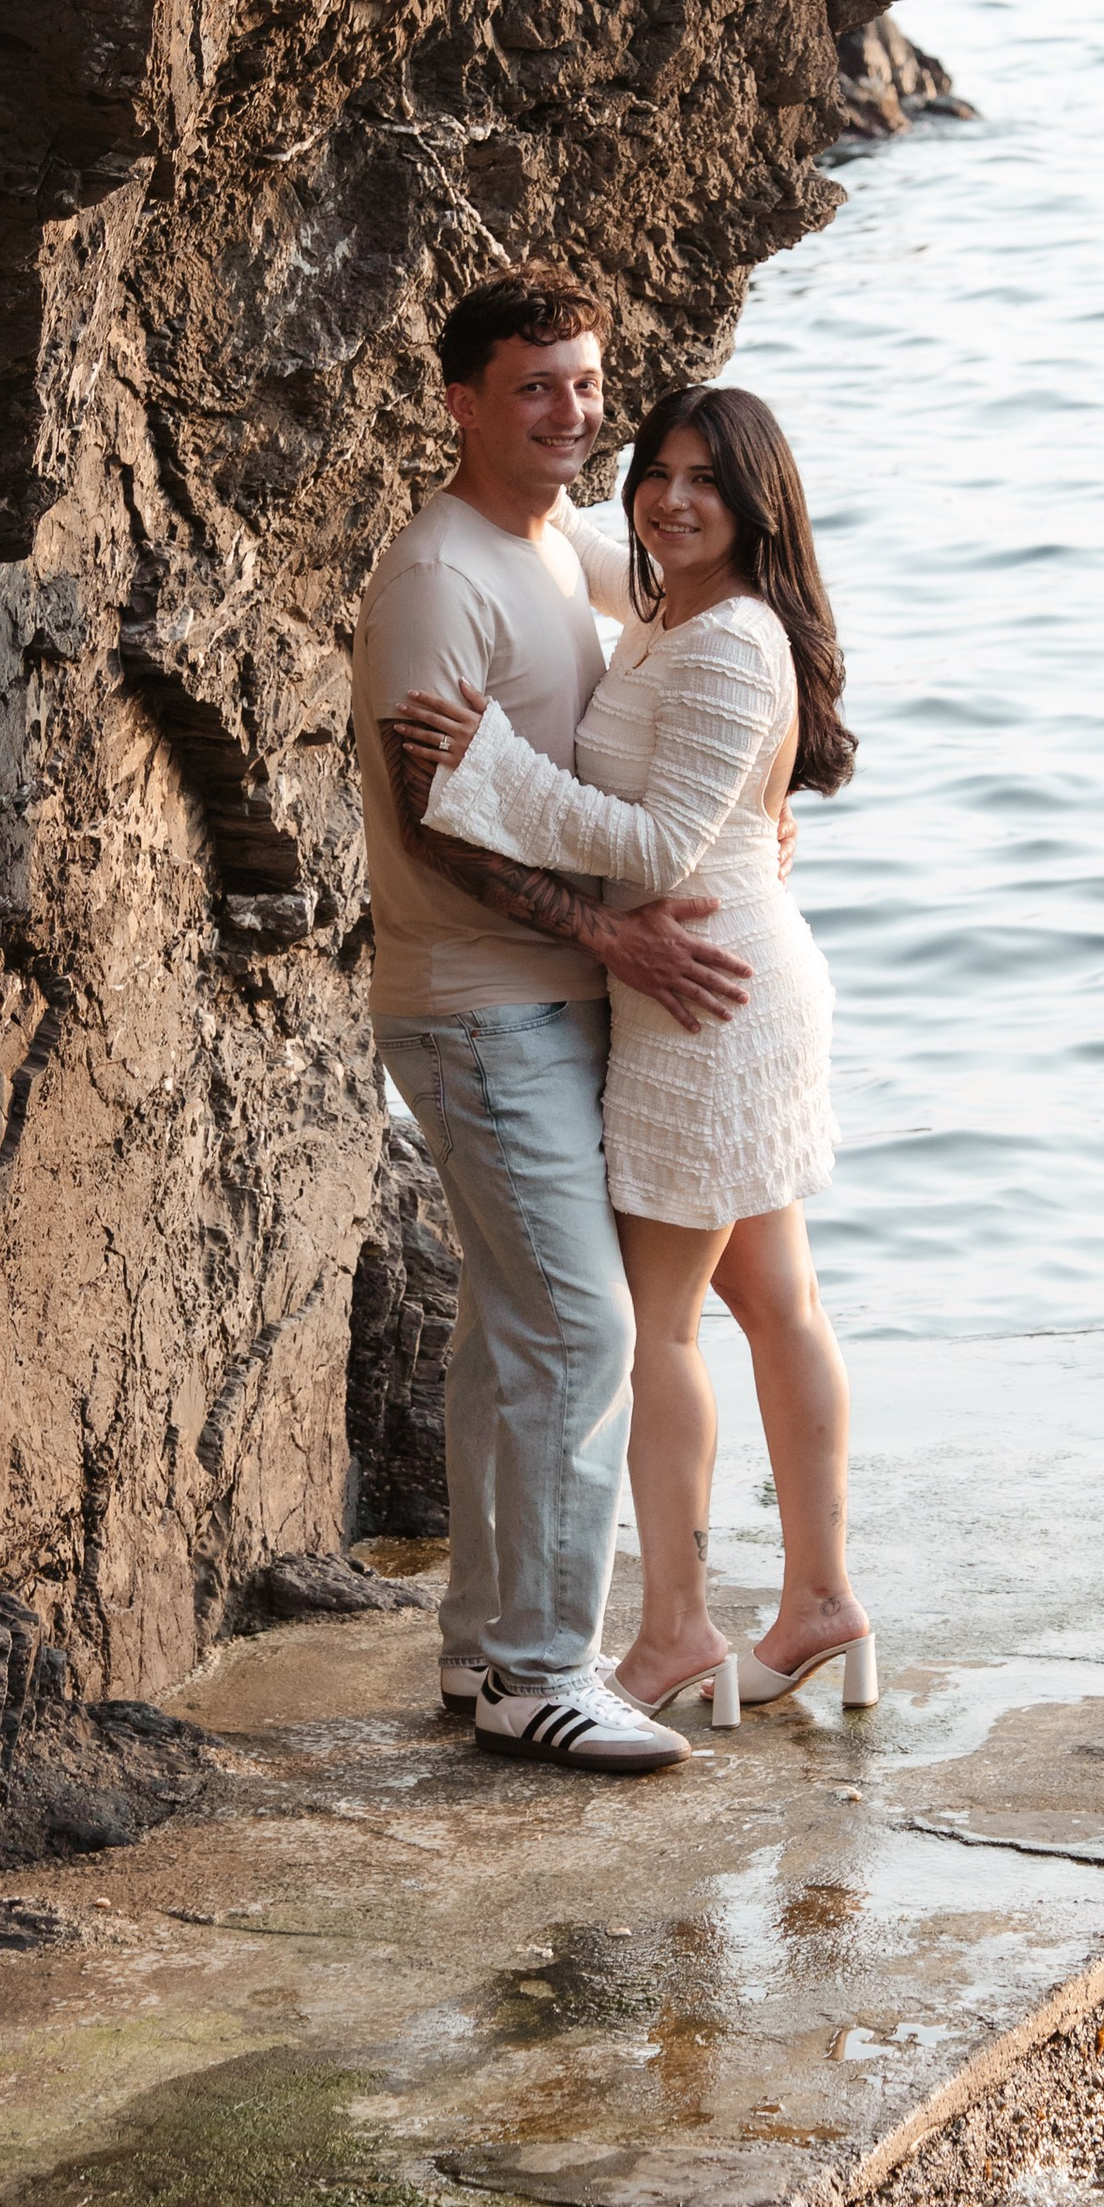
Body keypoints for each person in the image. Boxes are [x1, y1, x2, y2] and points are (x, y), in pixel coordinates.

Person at [397, 382, 874, 1730]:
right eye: (654, 470)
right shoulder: (671, 602)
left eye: (704, 482)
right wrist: (519, 500)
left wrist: (484, 762)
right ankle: (822, 1603)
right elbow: (575, 555)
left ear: (756, 500)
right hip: (730, 984)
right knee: (776, 1300)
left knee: (657, 1323)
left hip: (703, 1002)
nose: (670, 499)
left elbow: (660, 849)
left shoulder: (724, 642)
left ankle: (672, 1634)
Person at [351, 272, 754, 1773]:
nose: (572, 413)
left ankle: (482, 1655)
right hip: (477, 1005)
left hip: (548, 1001)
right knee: (582, 1329)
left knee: (505, 1336)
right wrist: (613, 933)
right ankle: (543, 1672)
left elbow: (704, 625)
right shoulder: (435, 576)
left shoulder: (557, 549)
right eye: (534, 386)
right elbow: (431, 817)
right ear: (461, 400)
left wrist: (762, 813)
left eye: (587, 386)